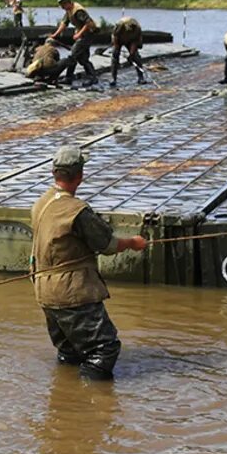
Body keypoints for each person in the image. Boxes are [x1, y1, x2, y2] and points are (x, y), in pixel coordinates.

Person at [31, 146, 145, 381]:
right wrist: (134, 242)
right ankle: (87, 405)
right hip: (71, 292)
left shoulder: (40, 203)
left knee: (70, 352)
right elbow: (107, 244)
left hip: (45, 291)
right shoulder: (77, 211)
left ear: (54, 173)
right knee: (105, 348)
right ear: (80, 176)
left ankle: (63, 397)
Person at [49, 0, 99, 86]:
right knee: (82, 58)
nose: (63, 8)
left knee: (72, 55)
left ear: (68, 3)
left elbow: (87, 23)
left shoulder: (78, 10)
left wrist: (79, 34)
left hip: (88, 34)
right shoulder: (69, 11)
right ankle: (91, 77)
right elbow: (64, 23)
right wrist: (55, 34)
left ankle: (70, 77)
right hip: (82, 34)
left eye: (63, 6)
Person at [110, 16, 146, 86]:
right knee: (115, 56)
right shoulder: (120, 25)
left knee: (136, 57)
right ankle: (113, 78)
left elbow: (135, 42)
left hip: (131, 40)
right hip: (119, 39)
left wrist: (131, 54)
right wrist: (117, 48)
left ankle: (141, 77)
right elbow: (115, 36)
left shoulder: (137, 29)